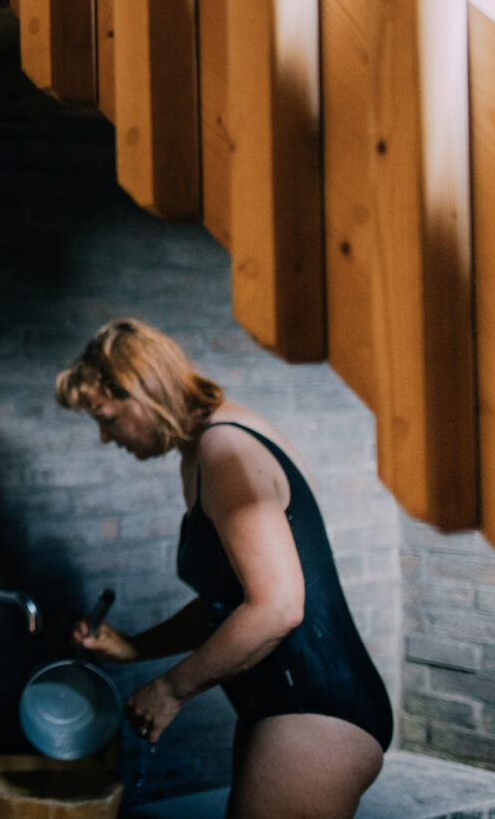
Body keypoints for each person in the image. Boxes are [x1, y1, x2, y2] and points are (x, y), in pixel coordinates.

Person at [57, 319, 392, 819]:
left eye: (105, 417)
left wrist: (170, 689)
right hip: (283, 703)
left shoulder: (226, 448)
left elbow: (278, 607)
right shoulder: (203, 450)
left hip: (318, 706)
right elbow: (232, 601)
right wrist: (134, 648)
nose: (105, 437)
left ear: (140, 392)